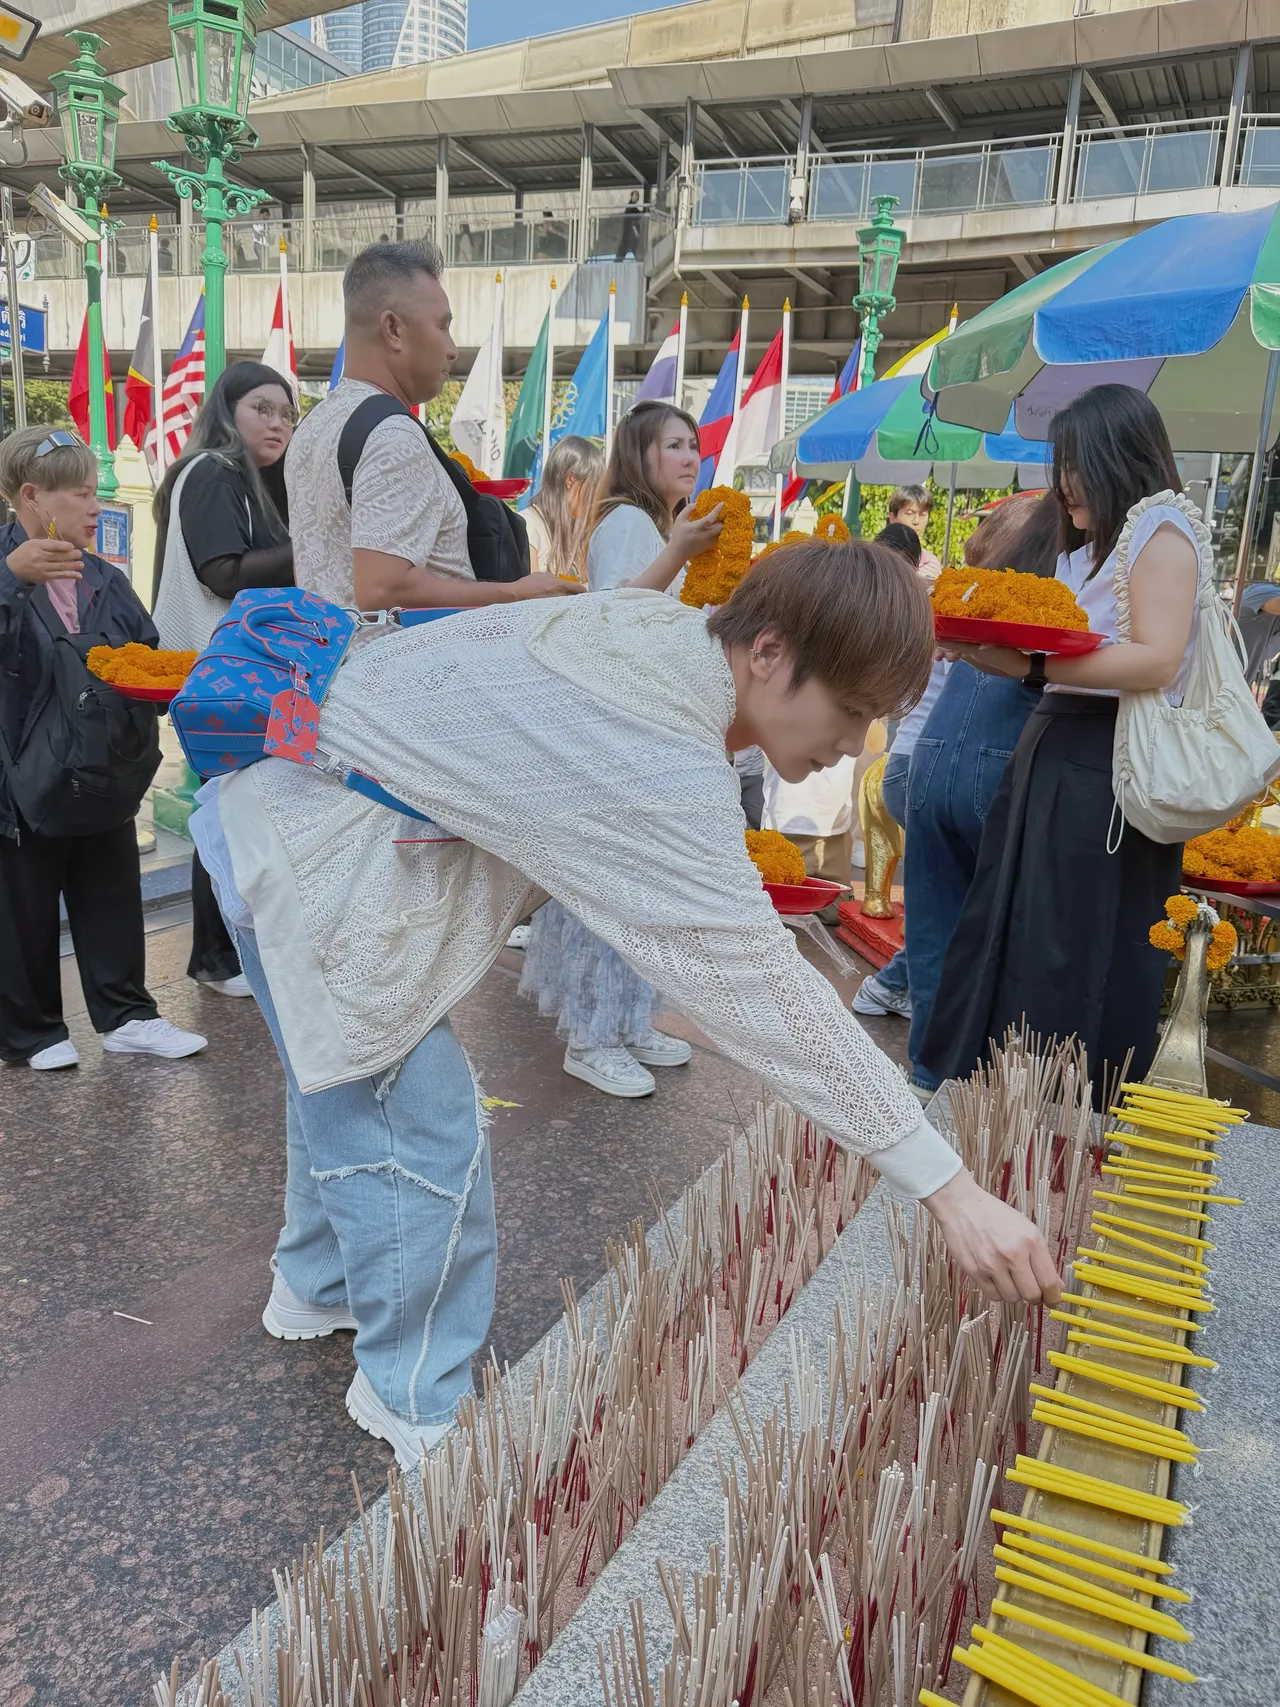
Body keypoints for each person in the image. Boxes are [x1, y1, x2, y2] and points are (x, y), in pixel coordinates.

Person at [192, 538, 1062, 1468]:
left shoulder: (666, 635)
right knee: (418, 1127)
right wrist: (951, 1189)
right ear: (767, 652)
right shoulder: (651, 739)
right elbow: (760, 988)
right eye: (849, 711)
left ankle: (315, 1283)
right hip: (314, 856)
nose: (854, 745)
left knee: (343, 1084)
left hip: (296, 819)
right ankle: (413, 1400)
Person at [918, 387, 1201, 1092]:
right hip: (1055, 748)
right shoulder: (1095, 546)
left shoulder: (1160, 529)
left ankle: (1067, 1109)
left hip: (1105, 762)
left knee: (1072, 943)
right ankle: (1000, 1101)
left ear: (1113, 457)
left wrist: (1035, 662)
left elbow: (1158, 658)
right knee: (1017, 930)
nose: (1062, 481)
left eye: (1072, 462)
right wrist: (991, 650)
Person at [520, 403, 722, 1097]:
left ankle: (627, 1019)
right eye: (673, 445)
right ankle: (591, 1034)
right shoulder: (631, 524)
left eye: (694, 444)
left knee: (636, 893)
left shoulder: (658, 527)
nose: (690, 455)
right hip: (611, 736)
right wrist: (678, 555)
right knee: (604, 892)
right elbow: (613, 617)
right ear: (641, 454)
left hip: (641, 733)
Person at [0, 428, 207, 1069]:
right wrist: (9, 580)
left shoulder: (101, 576)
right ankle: (31, 1033)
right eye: (81, 494)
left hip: (101, 767)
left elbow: (143, 650)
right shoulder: (5, 565)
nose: (96, 507)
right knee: (24, 899)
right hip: (21, 767)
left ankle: (127, 1016)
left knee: (111, 888)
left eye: (95, 493)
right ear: (33, 498)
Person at [283, 239, 576, 620]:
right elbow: (382, 588)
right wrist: (516, 593)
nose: (452, 349)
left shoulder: (312, 427)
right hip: (399, 669)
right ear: (393, 329)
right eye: (442, 326)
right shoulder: (391, 434)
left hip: (325, 665)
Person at [854, 493, 1058, 1029]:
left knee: (937, 919)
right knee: (966, 920)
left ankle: (920, 1048)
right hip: (962, 768)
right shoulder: (1016, 612)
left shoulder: (957, 597)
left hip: (921, 763)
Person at [153, 360, 297, 999]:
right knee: (230, 810)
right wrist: (317, 544)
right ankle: (217, 958)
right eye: (262, 408)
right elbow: (222, 572)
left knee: (242, 807)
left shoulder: (255, 481)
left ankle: (230, 951)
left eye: (286, 412)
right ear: (227, 412)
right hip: (224, 671)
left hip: (241, 670)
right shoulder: (213, 472)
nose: (277, 422)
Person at [523, 435, 604, 581]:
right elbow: (531, 597)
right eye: (592, 488)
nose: (595, 498)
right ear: (570, 480)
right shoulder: (528, 526)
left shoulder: (580, 531)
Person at [888, 484, 942, 577]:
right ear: (892, 518)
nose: (916, 521)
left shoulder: (931, 564)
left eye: (922, 514)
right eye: (909, 513)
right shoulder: (874, 558)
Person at [616, 191, 642, 261]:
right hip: (630, 231)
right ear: (631, 196)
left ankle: (618, 259)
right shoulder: (630, 207)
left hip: (629, 231)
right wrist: (635, 230)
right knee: (631, 245)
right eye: (635, 195)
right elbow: (631, 220)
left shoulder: (632, 206)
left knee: (627, 246)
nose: (637, 197)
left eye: (638, 195)